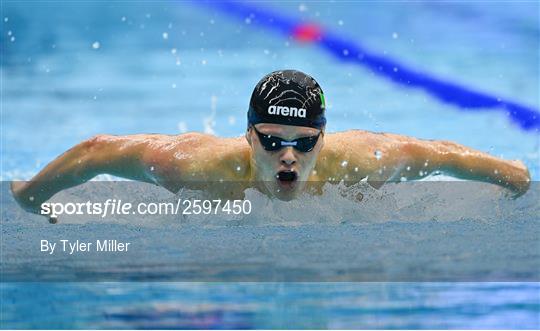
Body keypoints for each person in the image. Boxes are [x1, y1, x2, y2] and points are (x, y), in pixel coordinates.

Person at [11, 70, 530, 219]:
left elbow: (443, 154)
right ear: (247, 135)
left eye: (304, 144)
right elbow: (97, 150)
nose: (288, 155)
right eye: (273, 140)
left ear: (323, 139)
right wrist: (30, 196)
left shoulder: (364, 162)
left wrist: (513, 176)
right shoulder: (195, 167)